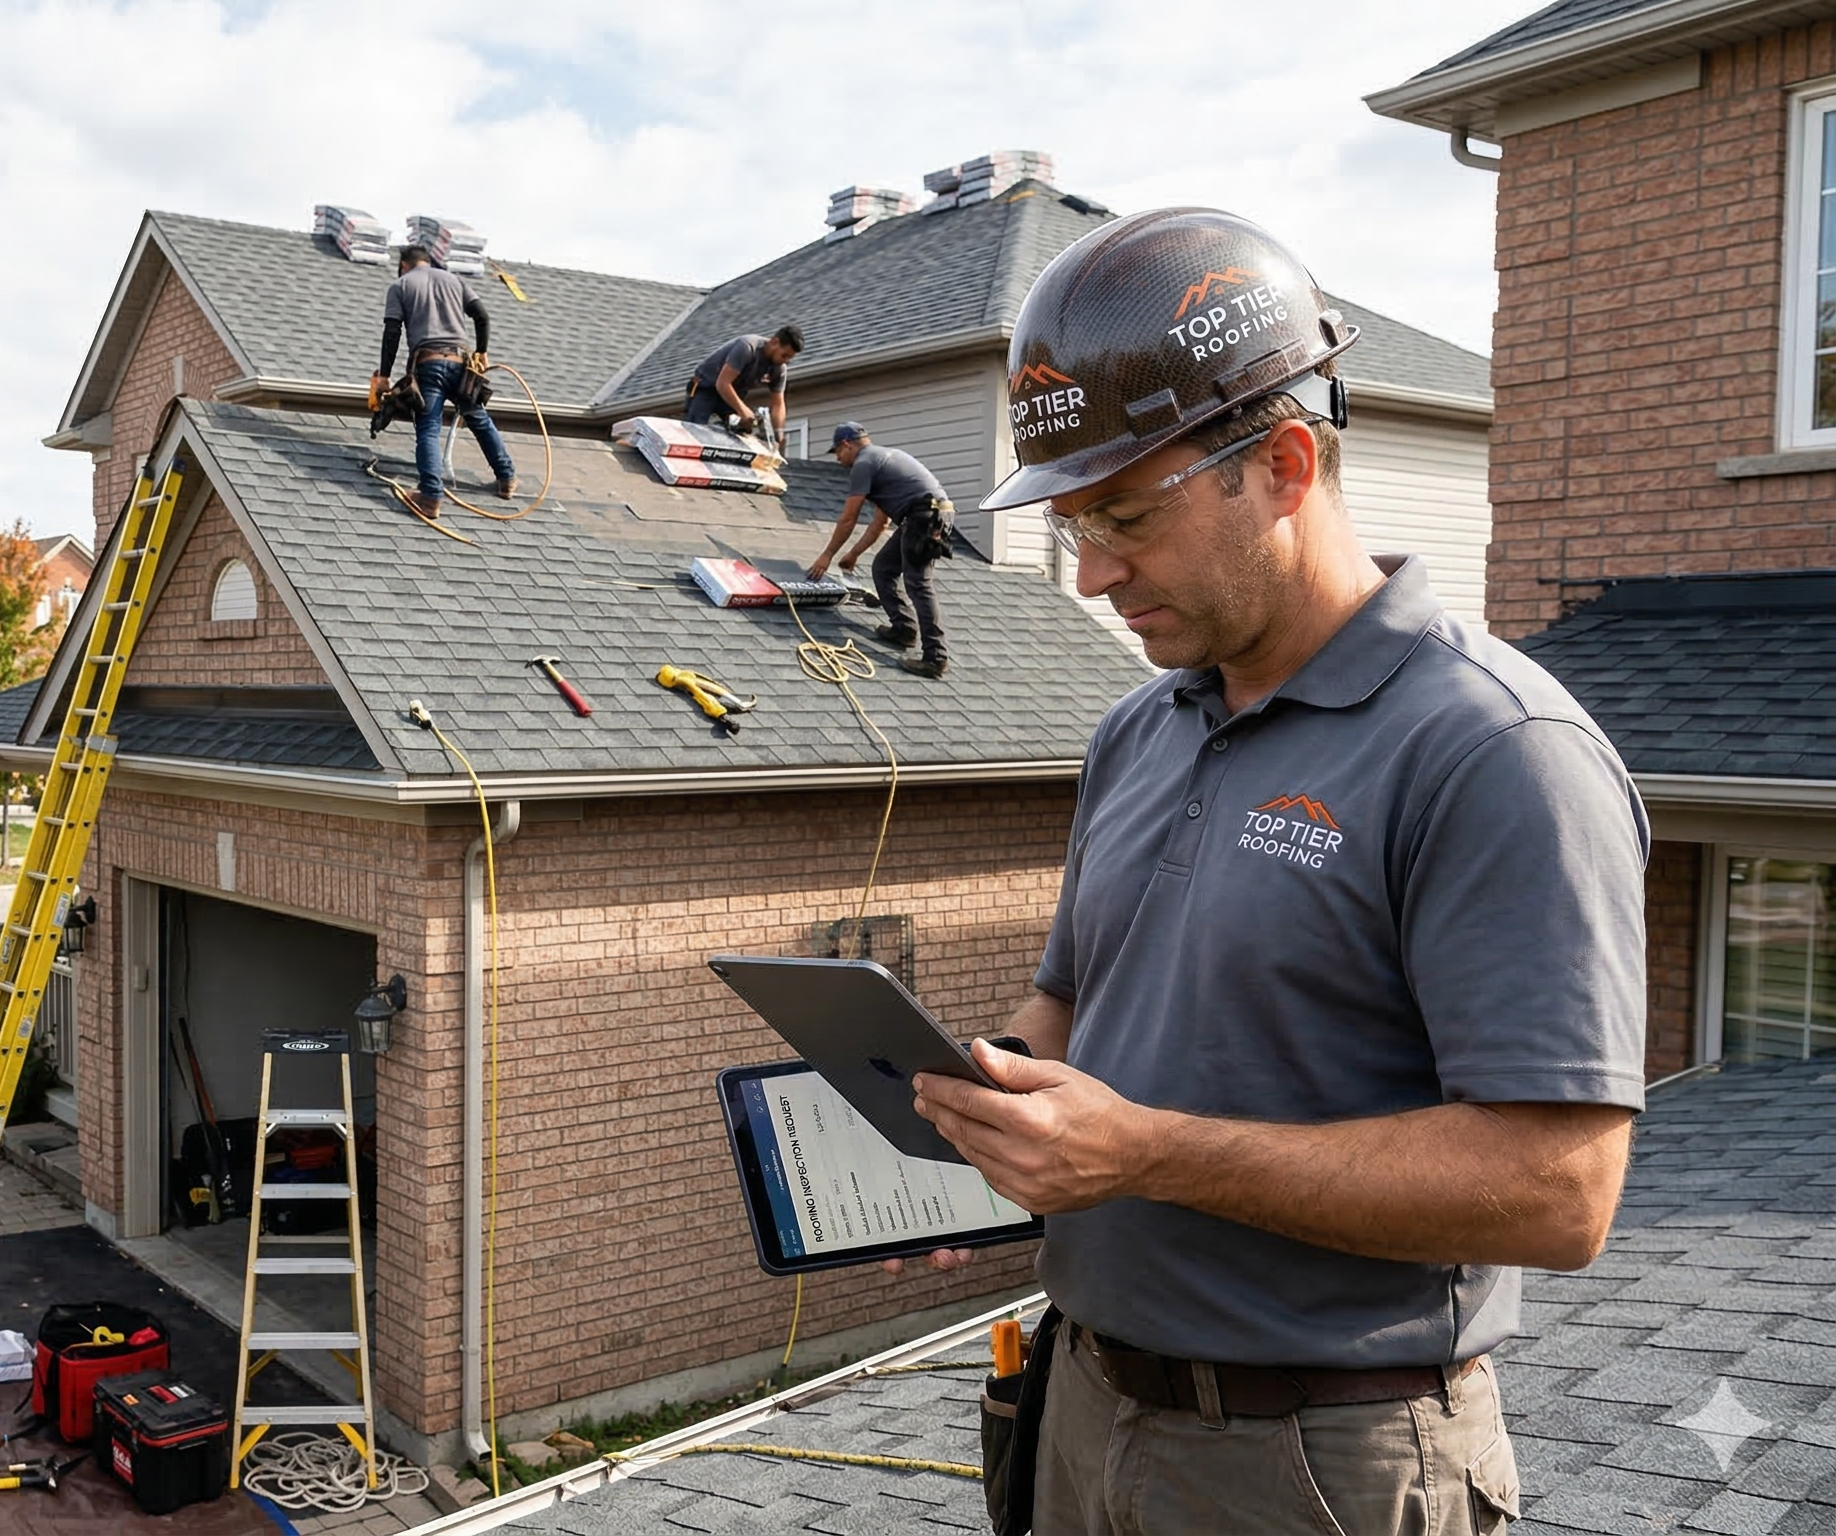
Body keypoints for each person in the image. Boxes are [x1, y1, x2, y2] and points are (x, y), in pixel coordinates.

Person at [884, 210, 1646, 1534]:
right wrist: (987, 1113)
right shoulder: (1143, 723)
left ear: (1284, 463)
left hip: (1324, 1460)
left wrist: (1144, 1156)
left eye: (1125, 515)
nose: (1094, 574)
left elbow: (1560, 1191)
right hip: (1084, 1406)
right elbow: (1072, 999)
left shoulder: (1493, 751)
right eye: (1071, 526)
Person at [371, 245, 511, 518]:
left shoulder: (400, 285)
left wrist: (384, 377)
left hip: (430, 363)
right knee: (477, 417)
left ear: (404, 265)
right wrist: (481, 351)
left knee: (428, 428)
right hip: (462, 363)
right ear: (428, 261)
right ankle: (507, 480)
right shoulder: (453, 279)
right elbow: (482, 316)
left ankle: (430, 497)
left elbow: (392, 331)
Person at [805, 422, 948, 678]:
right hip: (925, 515)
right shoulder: (882, 461)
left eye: (837, 451)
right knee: (884, 568)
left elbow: (849, 518)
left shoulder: (864, 464)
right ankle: (904, 629)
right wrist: (854, 554)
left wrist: (827, 555)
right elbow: (880, 523)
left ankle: (935, 658)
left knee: (918, 584)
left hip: (924, 517)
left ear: (847, 444)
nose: (838, 459)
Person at [682, 325, 801, 437]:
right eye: (784, 355)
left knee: (742, 431)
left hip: (732, 395)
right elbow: (722, 383)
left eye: (790, 358)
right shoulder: (747, 347)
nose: (786, 360)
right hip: (706, 388)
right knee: (696, 431)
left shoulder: (779, 369)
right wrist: (743, 410)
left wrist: (778, 432)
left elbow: (778, 404)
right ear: (775, 342)